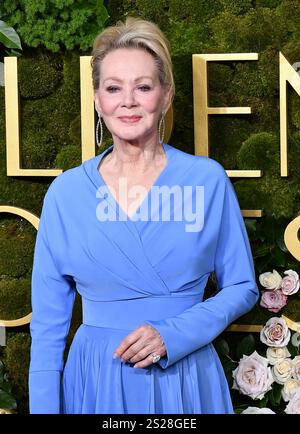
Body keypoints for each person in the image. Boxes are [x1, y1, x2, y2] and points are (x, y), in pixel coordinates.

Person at [28, 16, 259, 414]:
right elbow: (47, 330)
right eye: (113, 88)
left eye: (144, 87)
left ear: (166, 96)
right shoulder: (65, 195)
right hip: (95, 381)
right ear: (98, 99)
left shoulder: (207, 180)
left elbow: (242, 286)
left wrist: (176, 333)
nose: (128, 101)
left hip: (185, 377)